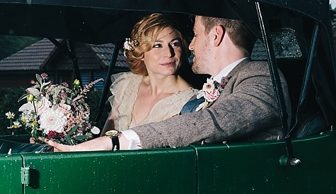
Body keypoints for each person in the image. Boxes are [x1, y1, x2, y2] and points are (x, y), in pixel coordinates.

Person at [43, 15, 291, 152]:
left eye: (193, 35)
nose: (189, 45)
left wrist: (117, 141)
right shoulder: (207, 91)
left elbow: (211, 123)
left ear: (216, 35)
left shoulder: (262, 76)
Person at [103, 13, 196, 131]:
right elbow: (106, 137)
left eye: (175, 44)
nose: (169, 53)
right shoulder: (127, 84)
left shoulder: (191, 101)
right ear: (141, 53)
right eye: (158, 45)